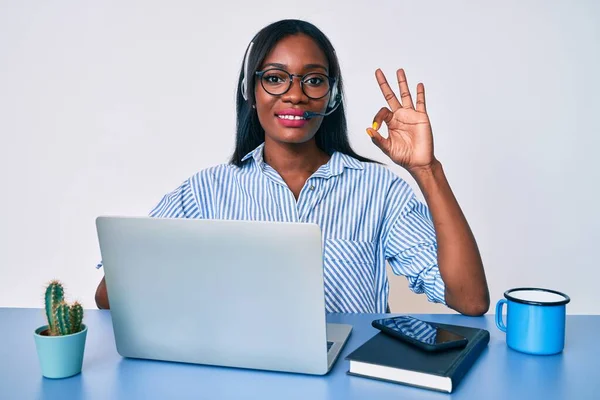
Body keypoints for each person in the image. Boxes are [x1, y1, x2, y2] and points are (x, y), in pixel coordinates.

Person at [95, 19, 489, 315]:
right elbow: (107, 296)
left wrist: (427, 170)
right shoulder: (207, 191)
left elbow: (470, 300)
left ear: (331, 95)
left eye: (313, 80)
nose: (295, 95)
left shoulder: (379, 190)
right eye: (276, 78)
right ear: (251, 91)